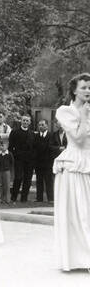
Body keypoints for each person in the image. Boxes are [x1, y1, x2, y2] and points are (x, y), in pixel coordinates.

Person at [53, 73, 90, 271]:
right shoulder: (65, 111)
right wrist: (84, 117)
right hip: (74, 163)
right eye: (84, 87)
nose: (88, 91)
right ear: (74, 90)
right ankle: (80, 259)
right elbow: (77, 139)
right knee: (78, 213)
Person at [9, 114, 35, 203]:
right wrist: (14, 157)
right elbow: (10, 147)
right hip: (18, 159)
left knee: (27, 179)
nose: (25, 122)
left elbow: (34, 147)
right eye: (24, 120)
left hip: (29, 160)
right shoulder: (15, 132)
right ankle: (14, 197)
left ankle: (24, 198)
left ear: (30, 122)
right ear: (21, 121)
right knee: (18, 178)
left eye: (27, 121)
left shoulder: (32, 134)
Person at [33, 119, 54, 203]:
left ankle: (51, 198)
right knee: (39, 181)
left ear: (47, 126)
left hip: (48, 162)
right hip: (38, 162)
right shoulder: (36, 136)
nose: (40, 126)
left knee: (49, 181)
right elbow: (34, 149)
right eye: (39, 125)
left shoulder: (51, 136)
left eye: (42, 125)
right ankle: (39, 198)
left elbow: (51, 148)